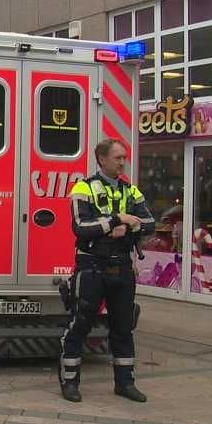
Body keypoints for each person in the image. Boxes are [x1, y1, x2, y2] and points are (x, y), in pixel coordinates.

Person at [60, 139, 155, 404]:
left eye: (124, 157)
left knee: (123, 327)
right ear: (102, 159)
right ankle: (70, 382)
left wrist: (125, 227)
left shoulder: (131, 190)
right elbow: (81, 227)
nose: (123, 162)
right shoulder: (84, 188)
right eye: (117, 158)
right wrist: (117, 219)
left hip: (122, 268)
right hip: (92, 267)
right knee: (79, 325)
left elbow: (149, 223)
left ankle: (125, 383)